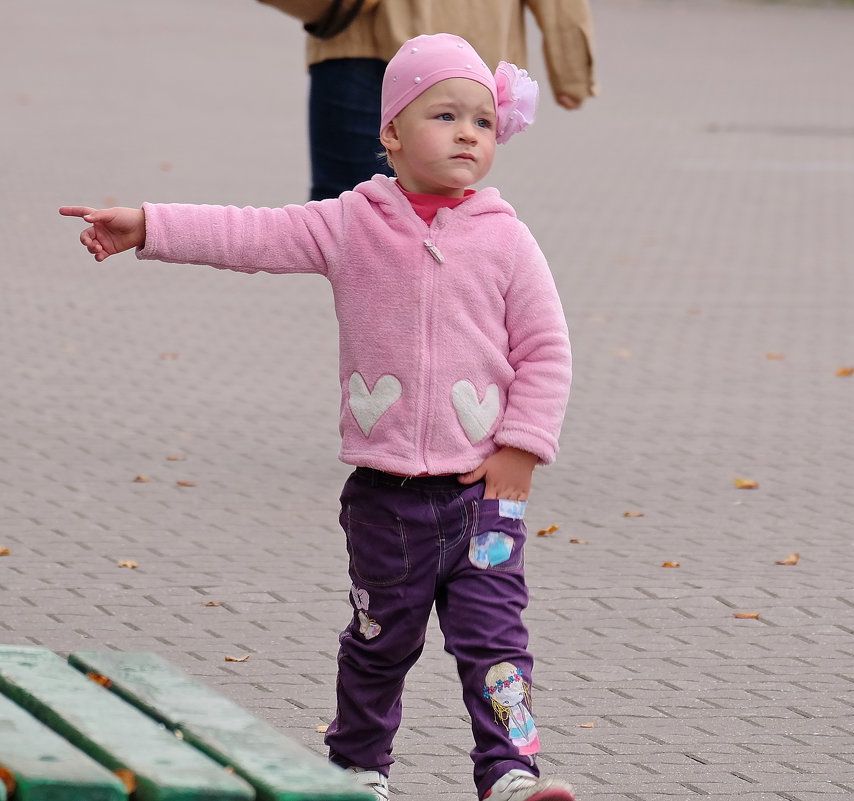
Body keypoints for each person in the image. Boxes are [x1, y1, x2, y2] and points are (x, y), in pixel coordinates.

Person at [60, 32, 574, 801]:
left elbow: (548, 349)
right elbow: (252, 233)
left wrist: (521, 451)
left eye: (483, 121)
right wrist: (149, 226)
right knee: (378, 644)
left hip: (485, 499)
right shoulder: (352, 222)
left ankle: (510, 773)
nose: (468, 132)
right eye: (444, 115)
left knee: (497, 644)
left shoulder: (507, 239)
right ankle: (358, 768)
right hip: (387, 499)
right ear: (392, 132)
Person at [260, 0, 597, 199]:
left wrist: (570, 60)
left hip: (456, 54)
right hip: (360, 35)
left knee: (437, 208)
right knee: (344, 214)